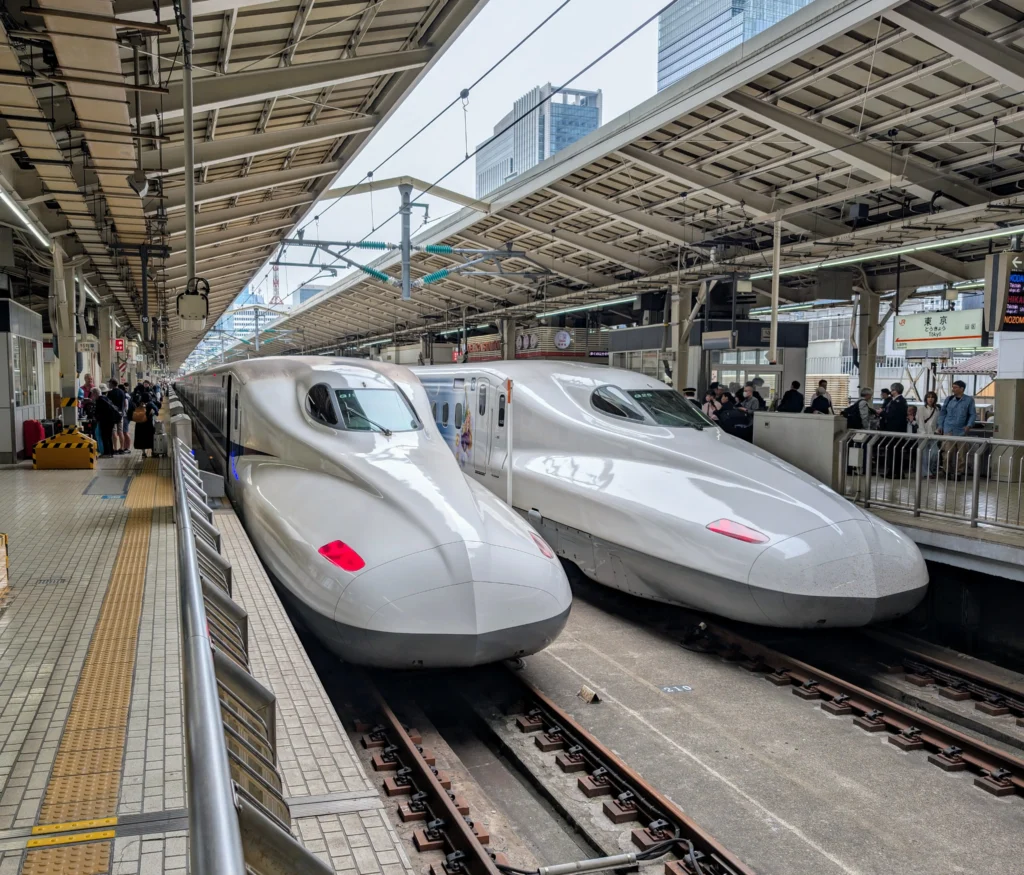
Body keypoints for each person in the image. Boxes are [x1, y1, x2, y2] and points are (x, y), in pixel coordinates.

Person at [938, 380, 977, 478]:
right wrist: (940, 426)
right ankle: (947, 471)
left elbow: (972, 414)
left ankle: (959, 472)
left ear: (962, 389)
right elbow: (942, 413)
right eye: (953, 387)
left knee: (962, 454)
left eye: (955, 387)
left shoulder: (969, 400)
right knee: (947, 452)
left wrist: (969, 425)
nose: (953, 389)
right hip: (948, 429)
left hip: (961, 431)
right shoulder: (949, 399)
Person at [94, 388, 123, 459]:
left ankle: (107, 453)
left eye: (92, 394)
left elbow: (99, 412)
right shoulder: (106, 398)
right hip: (111, 421)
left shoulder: (100, 400)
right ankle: (111, 452)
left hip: (105, 421)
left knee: (105, 436)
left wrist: (96, 417)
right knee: (109, 436)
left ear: (95, 393)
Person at [131, 389, 159, 458]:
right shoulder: (150, 403)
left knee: (141, 438)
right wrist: (153, 413)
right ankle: (153, 452)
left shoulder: (138, 404)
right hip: (148, 423)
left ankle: (143, 453)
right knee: (150, 437)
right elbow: (157, 411)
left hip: (139, 423)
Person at [106, 379, 126, 454]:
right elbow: (124, 403)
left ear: (112, 384)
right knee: (120, 431)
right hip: (120, 414)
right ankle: (122, 448)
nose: (109, 385)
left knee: (114, 431)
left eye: (109, 383)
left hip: (112, 414)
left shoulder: (110, 393)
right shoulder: (122, 392)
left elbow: (108, 404)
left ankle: (115, 448)